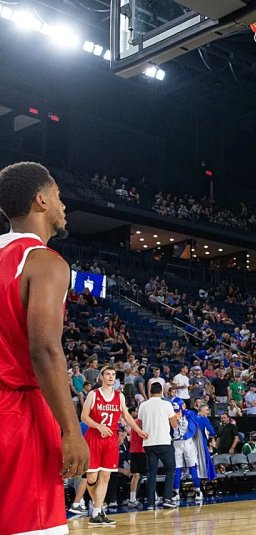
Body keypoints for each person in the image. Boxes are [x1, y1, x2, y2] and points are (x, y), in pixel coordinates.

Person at [0, 162, 91, 535]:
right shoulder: (44, 262)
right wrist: (71, 430)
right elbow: (45, 350)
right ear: (40, 199)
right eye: (57, 194)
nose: (62, 204)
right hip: (19, 415)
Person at [81, 366, 147, 525]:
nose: (111, 377)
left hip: (111, 440)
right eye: (108, 374)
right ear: (101, 377)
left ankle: (97, 512)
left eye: (113, 375)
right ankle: (98, 506)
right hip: (94, 438)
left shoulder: (120, 396)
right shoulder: (93, 394)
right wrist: (98, 426)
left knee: (105, 476)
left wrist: (137, 430)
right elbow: (84, 416)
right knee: (91, 477)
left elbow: (126, 416)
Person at [138, 381, 179, 509]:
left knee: (151, 472)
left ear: (150, 391)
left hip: (149, 443)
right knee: (170, 469)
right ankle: (167, 498)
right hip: (164, 442)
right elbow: (174, 425)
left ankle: (150, 502)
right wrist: (176, 417)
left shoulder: (143, 405)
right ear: (161, 392)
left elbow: (139, 425)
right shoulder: (167, 404)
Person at [170, 398, 203, 501]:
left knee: (192, 466)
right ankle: (176, 492)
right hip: (176, 443)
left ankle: (197, 490)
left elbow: (193, 428)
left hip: (188, 442)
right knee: (177, 468)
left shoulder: (189, 414)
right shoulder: (170, 415)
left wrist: (187, 435)